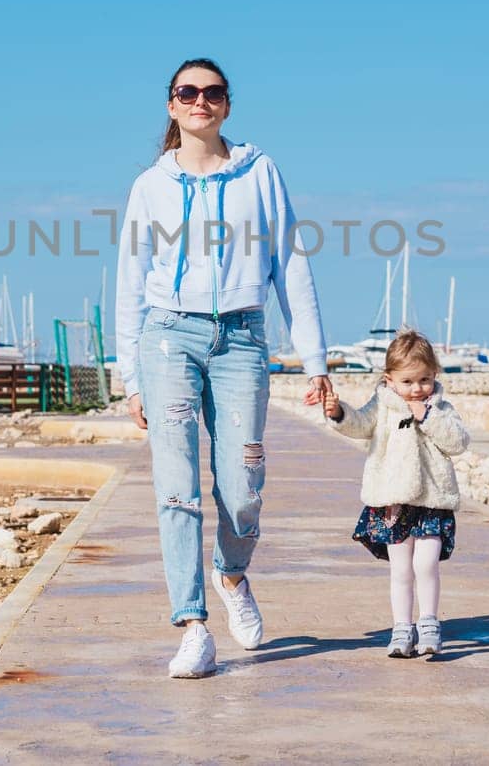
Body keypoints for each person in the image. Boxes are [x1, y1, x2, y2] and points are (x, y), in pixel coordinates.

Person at [115, 57, 333, 679]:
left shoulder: (258, 172)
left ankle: (231, 573)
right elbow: (129, 284)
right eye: (188, 92)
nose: (199, 101)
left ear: (227, 105)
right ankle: (193, 627)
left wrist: (314, 357)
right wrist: (128, 374)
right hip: (166, 341)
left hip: (242, 340)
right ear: (171, 104)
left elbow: (291, 263)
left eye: (212, 93)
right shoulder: (148, 186)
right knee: (175, 488)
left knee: (243, 487)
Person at [311, 329, 469, 657]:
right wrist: (337, 412)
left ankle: (428, 624)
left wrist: (428, 418)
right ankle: (401, 628)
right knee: (400, 569)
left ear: (435, 375)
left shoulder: (440, 407)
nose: (417, 388)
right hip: (393, 502)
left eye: (424, 379)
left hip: (430, 501)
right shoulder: (382, 405)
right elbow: (358, 425)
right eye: (408, 381)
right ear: (390, 379)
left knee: (426, 563)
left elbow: (458, 442)